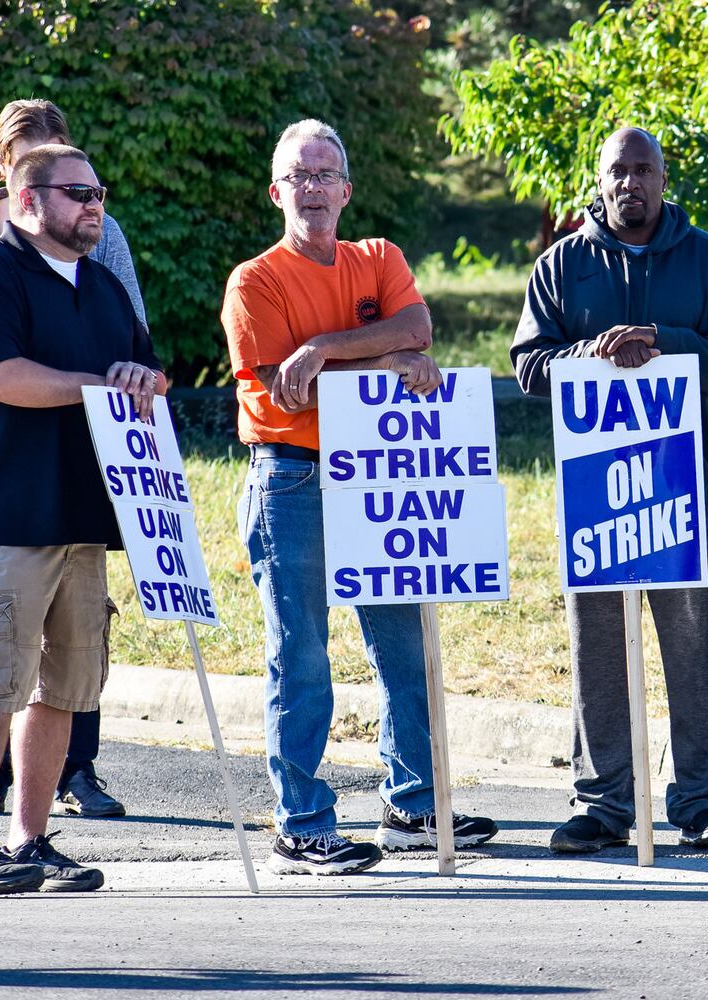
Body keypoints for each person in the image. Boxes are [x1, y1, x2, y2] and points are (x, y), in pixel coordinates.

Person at [221, 119, 498, 876]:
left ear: (347, 189)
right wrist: (385, 358)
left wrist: (325, 349)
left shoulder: (379, 258)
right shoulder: (255, 281)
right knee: (301, 654)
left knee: (406, 646)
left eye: (326, 174)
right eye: (298, 176)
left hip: (382, 471)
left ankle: (413, 804)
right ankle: (302, 823)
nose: (313, 188)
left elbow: (417, 325)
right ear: (277, 191)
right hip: (293, 478)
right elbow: (285, 384)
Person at [511, 127, 708, 853]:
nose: (631, 183)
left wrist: (664, 340)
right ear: (599, 181)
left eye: (644, 170)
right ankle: (602, 805)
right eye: (618, 171)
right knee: (599, 656)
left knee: (699, 655)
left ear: (663, 177)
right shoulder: (561, 266)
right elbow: (529, 366)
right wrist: (588, 353)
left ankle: (704, 804)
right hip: (597, 499)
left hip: (691, 496)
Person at [0, 143, 165, 896]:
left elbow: (149, 376)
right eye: (76, 193)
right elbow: (0, 378)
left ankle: (30, 841)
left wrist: (138, 378)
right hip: (6, 509)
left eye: (98, 191)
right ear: (27, 201)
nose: (94, 205)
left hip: (82, 514)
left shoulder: (102, 287)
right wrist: (101, 383)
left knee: (64, 688)